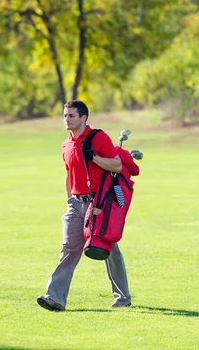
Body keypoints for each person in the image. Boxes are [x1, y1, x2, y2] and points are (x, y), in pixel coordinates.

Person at [37, 100, 132, 311]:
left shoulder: (98, 137)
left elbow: (116, 164)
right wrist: (70, 201)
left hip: (98, 203)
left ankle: (122, 298)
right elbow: (68, 175)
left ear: (83, 118)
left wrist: (94, 157)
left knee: (108, 249)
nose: (67, 119)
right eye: (65, 116)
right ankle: (55, 298)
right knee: (69, 249)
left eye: (71, 116)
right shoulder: (66, 144)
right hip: (76, 204)